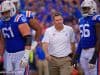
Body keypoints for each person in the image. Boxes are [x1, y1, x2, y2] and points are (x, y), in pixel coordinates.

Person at [0, 1, 33, 75]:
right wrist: (1, 55)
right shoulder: (1, 23)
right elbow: (2, 41)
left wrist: (26, 55)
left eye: (7, 12)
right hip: (8, 54)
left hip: (20, 53)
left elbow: (28, 37)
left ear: (12, 9)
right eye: (3, 13)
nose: (5, 14)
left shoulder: (18, 19)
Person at [72, 0, 100, 75]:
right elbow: (82, 39)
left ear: (93, 8)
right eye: (83, 8)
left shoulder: (96, 19)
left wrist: (95, 56)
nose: (84, 10)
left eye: (87, 8)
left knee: (94, 73)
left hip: (93, 50)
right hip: (83, 51)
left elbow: (99, 39)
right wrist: (76, 56)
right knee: (86, 73)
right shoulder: (81, 20)